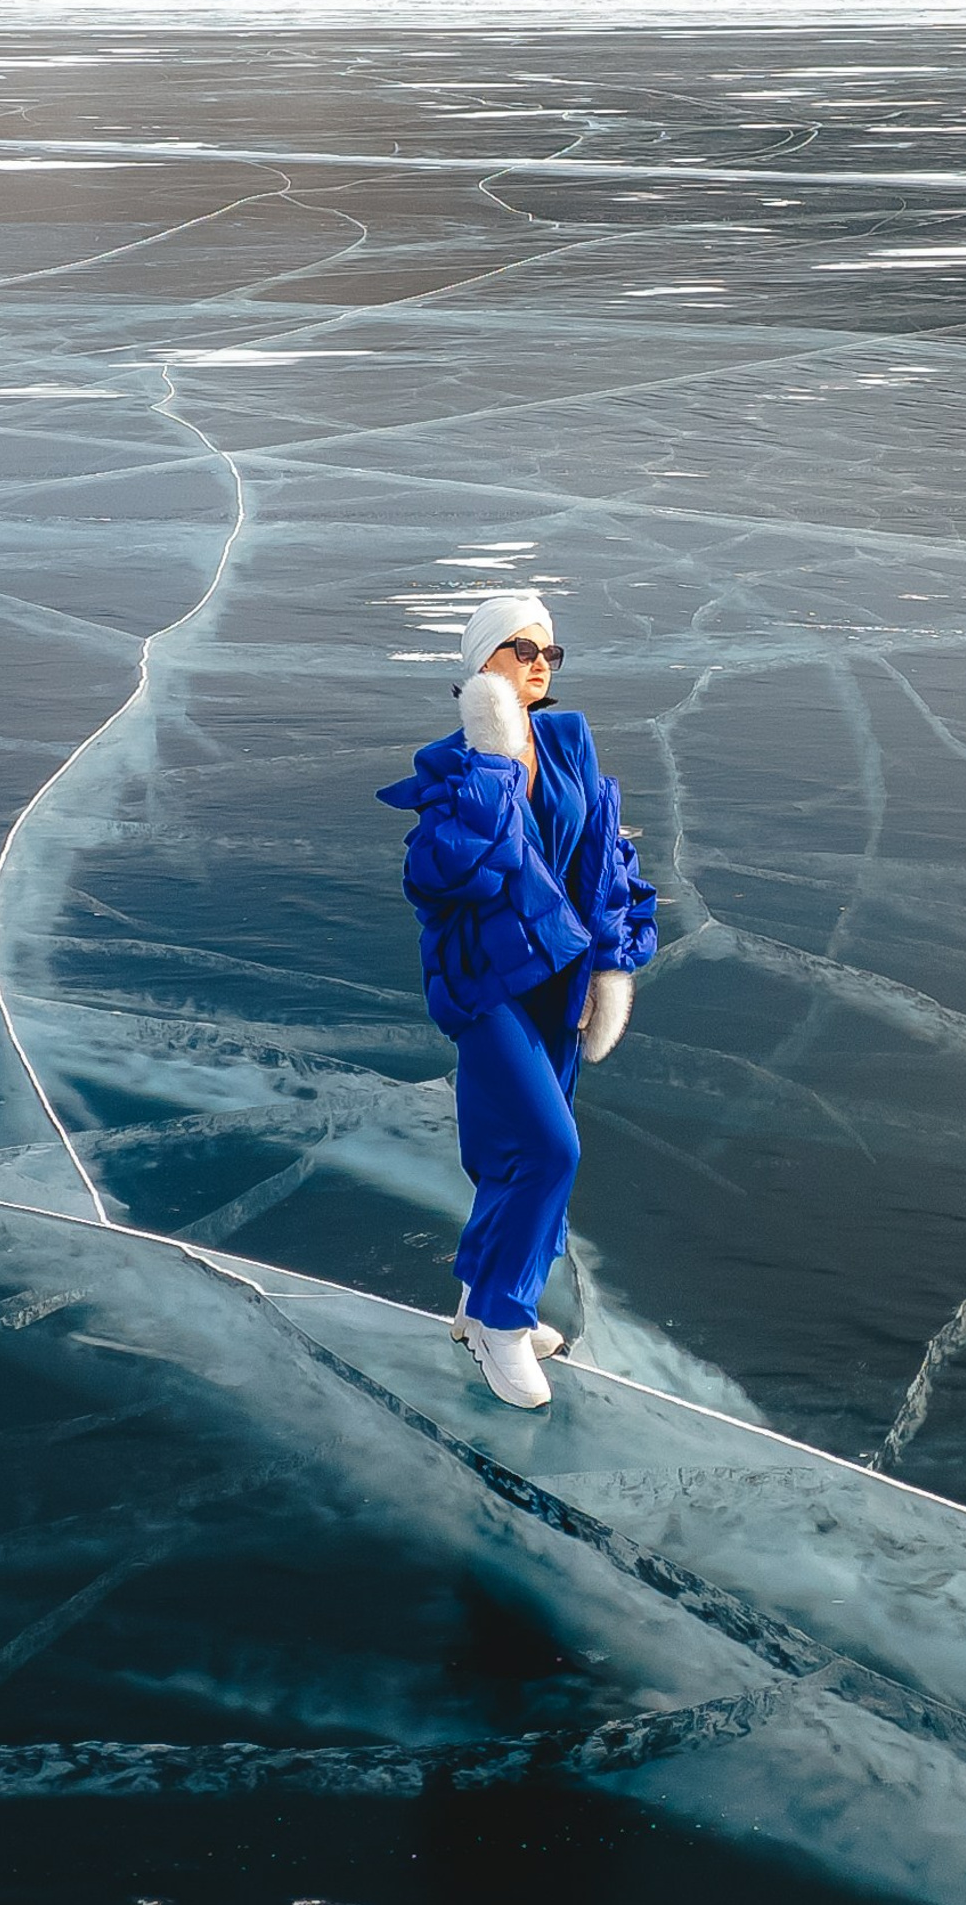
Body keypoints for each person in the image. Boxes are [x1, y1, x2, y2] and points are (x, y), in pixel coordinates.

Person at [376, 591, 657, 1409]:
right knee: (549, 1149)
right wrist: (495, 760)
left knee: (515, 1154)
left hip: (558, 982)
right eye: (521, 650)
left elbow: (602, 866)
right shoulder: (459, 765)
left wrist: (608, 966)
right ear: (480, 664)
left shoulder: (568, 744)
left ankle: (482, 1299)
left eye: (549, 654)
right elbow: (442, 876)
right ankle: (502, 1324)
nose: (540, 664)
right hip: (488, 984)